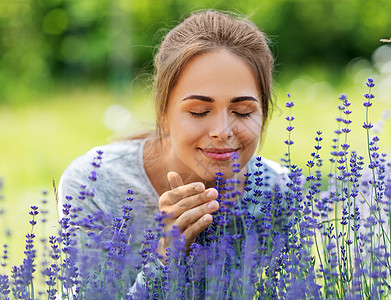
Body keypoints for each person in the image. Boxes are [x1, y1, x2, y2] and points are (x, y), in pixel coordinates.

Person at [58, 9, 290, 279]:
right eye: (199, 111)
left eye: (242, 112)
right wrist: (166, 258)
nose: (222, 131)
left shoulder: (278, 191)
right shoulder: (94, 183)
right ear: (164, 114)